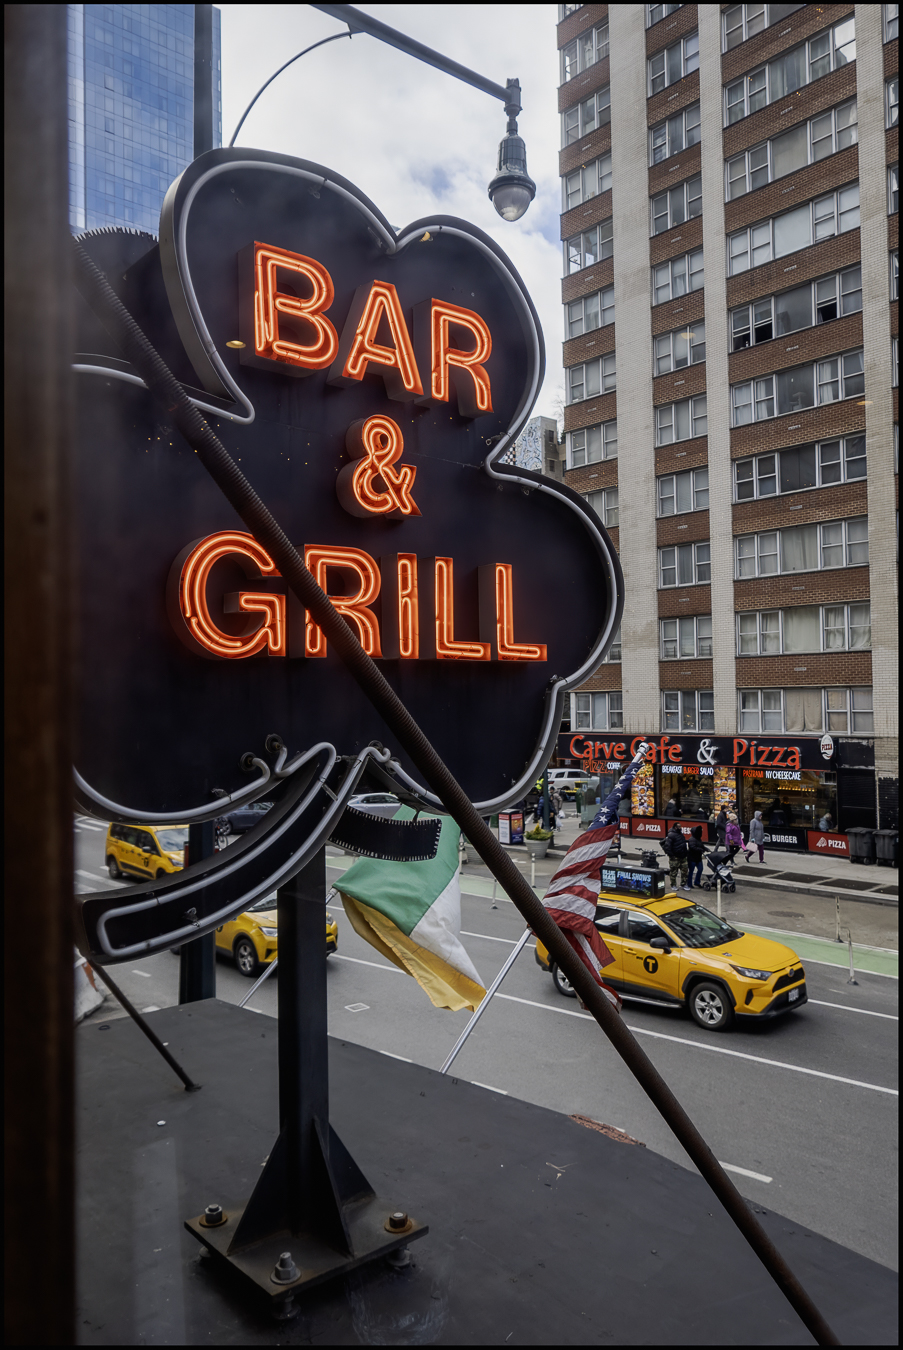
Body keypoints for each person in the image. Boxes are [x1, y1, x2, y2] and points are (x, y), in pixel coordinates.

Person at [661, 822, 690, 891]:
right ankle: (673, 885)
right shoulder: (671, 835)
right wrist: (672, 855)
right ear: (675, 827)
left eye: (680, 826)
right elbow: (668, 847)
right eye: (678, 826)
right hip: (675, 857)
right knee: (673, 872)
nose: (680, 828)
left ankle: (683, 884)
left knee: (685, 871)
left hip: (683, 856)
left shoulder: (681, 834)